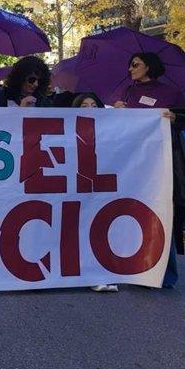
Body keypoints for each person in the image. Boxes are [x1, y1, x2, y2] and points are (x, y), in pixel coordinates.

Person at [113, 52, 185, 288]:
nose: (130, 69)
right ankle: (133, 266)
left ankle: (165, 274)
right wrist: (116, 110)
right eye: (129, 64)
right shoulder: (128, 92)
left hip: (161, 162)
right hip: (131, 162)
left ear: (149, 67)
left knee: (162, 213)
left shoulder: (170, 92)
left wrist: (174, 116)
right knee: (132, 211)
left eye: (135, 64)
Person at [70, 92, 117, 292]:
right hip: (78, 187)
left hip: (100, 187)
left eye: (93, 105)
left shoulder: (111, 128)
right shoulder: (67, 129)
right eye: (83, 106)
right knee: (80, 230)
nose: (89, 108)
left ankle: (100, 274)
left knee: (99, 230)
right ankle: (86, 274)